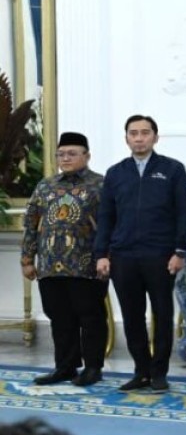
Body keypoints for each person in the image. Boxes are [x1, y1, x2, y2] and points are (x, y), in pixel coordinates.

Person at [93, 115, 186, 392]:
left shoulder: (172, 170)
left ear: (155, 137)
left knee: (162, 314)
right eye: (133, 133)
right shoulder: (116, 173)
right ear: (126, 138)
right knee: (132, 315)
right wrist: (102, 253)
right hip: (123, 256)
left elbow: (185, 212)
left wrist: (180, 250)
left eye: (145, 133)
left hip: (161, 255)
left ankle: (159, 373)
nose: (139, 138)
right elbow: (106, 216)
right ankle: (141, 371)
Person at [20, 132, 107, 387]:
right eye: (61, 154)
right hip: (49, 265)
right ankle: (65, 367)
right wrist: (27, 258)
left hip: (87, 264)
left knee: (90, 317)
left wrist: (107, 257)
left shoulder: (100, 185)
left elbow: (110, 225)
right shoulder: (45, 186)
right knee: (59, 317)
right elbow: (31, 223)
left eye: (72, 153)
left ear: (86, 156)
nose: (65, 158)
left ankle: (93, 367)